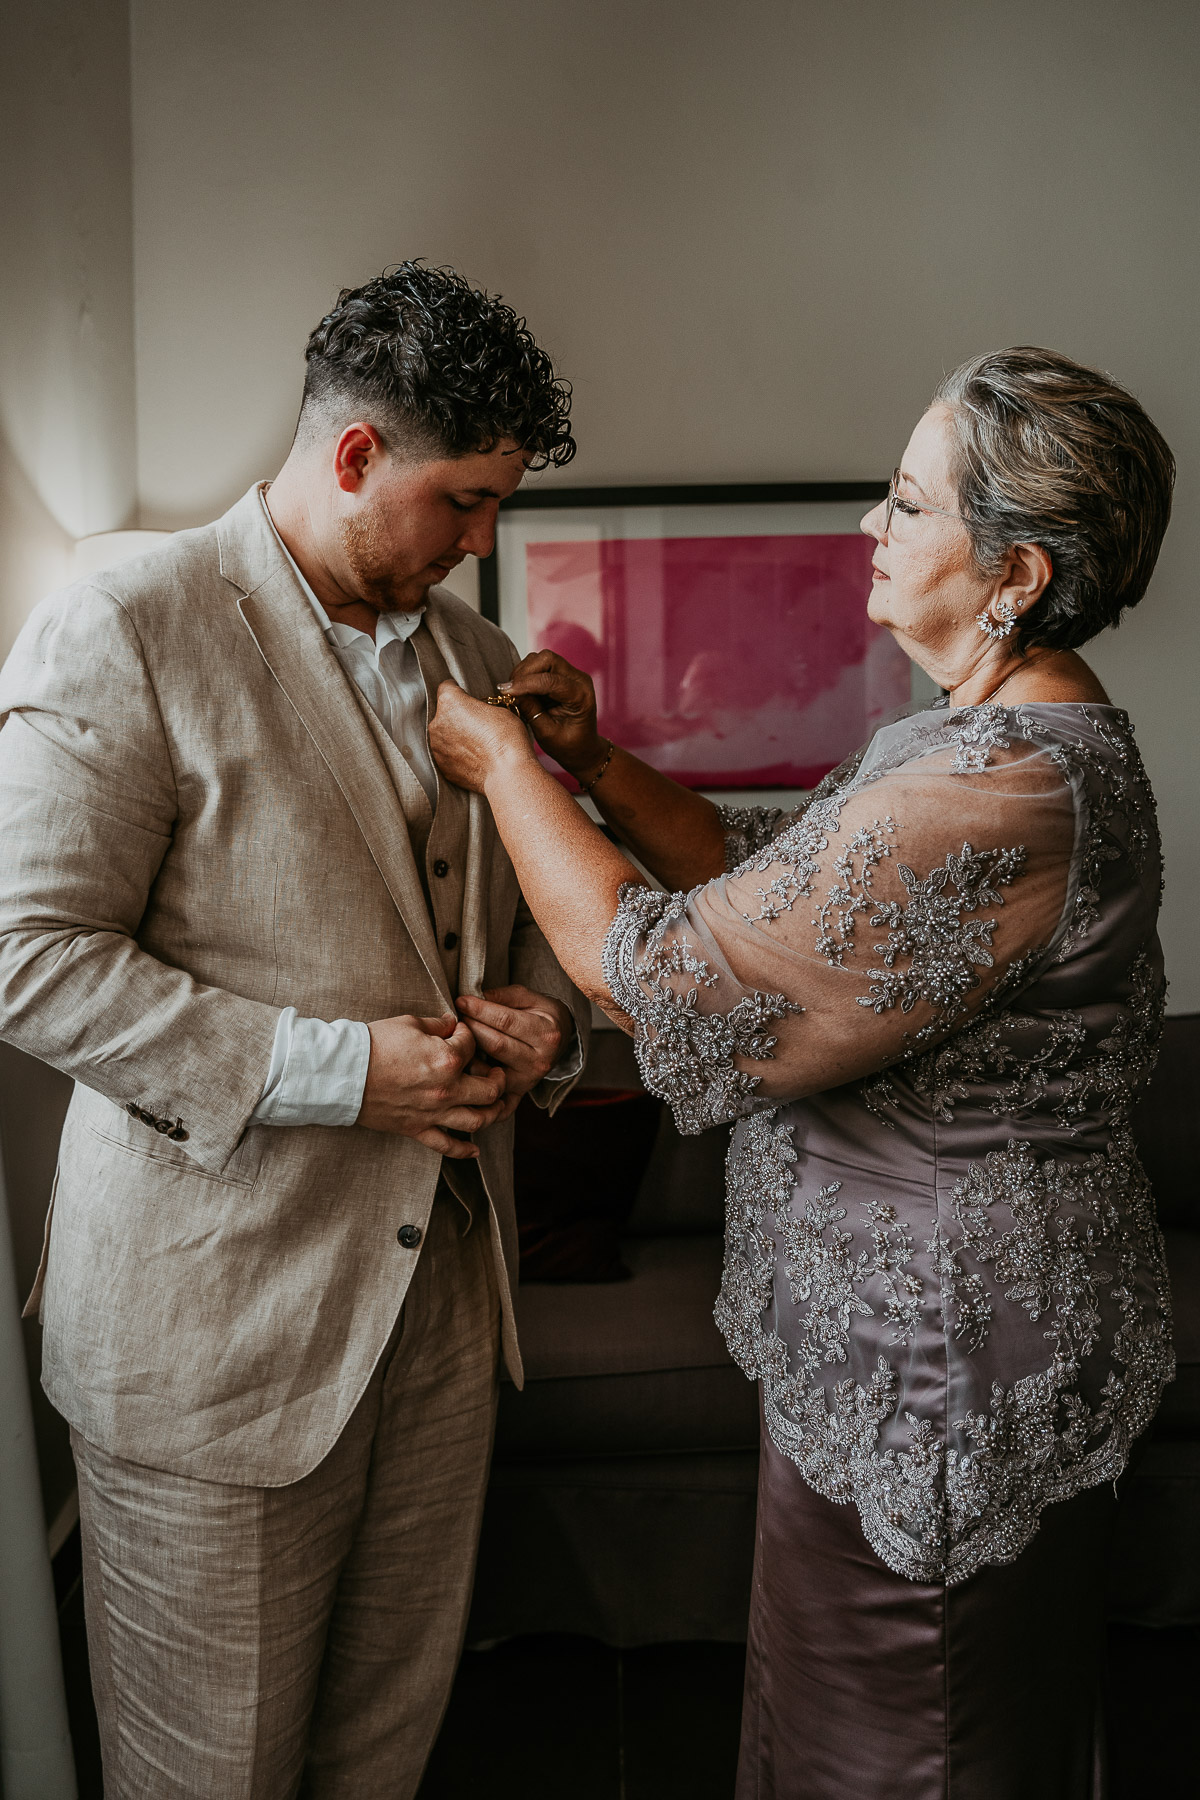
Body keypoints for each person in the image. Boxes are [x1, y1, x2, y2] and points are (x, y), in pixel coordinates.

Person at [428, 346, 1175, 1799]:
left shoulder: (1003, 780)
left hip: (941, 1369)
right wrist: (601, 768)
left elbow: (672, 981)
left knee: (914, 1741)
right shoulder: (975, 731)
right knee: (861, 1721)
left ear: (1015, 571)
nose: (868, 530)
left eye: (906, 504)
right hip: (913, 1337)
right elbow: (781, 897)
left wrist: (505, 772)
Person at [0, 263, 589, 1798]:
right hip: (218, 1333)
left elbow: (518, 932)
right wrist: (341, 1074)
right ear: (352, 457)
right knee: (214, 1776)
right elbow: (26, 956)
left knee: (380, 1757)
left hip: (443, 1310)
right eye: (464, 501)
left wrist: (545, 1023)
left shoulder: (470, 657)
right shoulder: (123, 622)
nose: (484, 542)